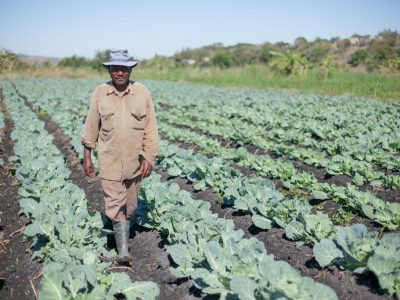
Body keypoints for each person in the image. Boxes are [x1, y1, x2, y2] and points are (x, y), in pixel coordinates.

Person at [81, 49, 160, 263]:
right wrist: (87, 155)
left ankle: (124, 227)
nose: (119, 73)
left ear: (130, 69)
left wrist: (149, 157)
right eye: (115, 68)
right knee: (115, 202)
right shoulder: (100, 93)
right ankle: (123, 251)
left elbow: (150, 128)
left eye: (123, 69)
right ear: (109, 70)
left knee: (131, 205)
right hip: (110, 160)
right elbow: (91, 125)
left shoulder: (142, 92)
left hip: (135, 162)